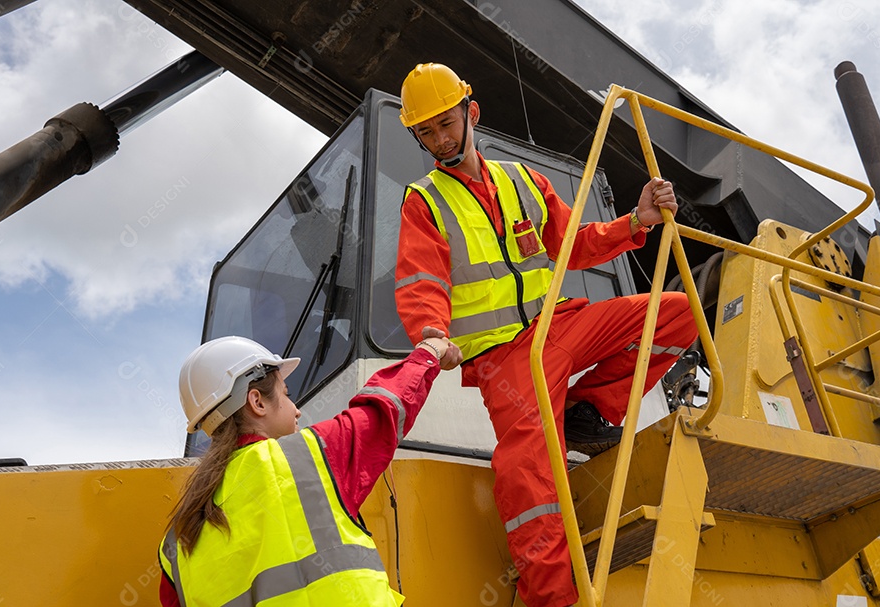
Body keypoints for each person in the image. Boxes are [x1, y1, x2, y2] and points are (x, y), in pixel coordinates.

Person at [394, 63, 698, 607]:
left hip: (560, 323)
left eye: (446, 124)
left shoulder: (522, 180)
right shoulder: (425, 200)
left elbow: (573, 243)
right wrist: (433, 334)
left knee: (676, 313)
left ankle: (586, 409)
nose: (440, 139)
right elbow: (421, 279)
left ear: (471, 112)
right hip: (506, 358)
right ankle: (554, 600)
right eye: (427, 131)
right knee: (528, 476)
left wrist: (637, 221)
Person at [158, 328, 450, 606]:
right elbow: (385, 409)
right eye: (286, 394)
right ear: (257, 402)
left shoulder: (176, 543)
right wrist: (431, 350)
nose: (296, 410)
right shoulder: (306, 456)